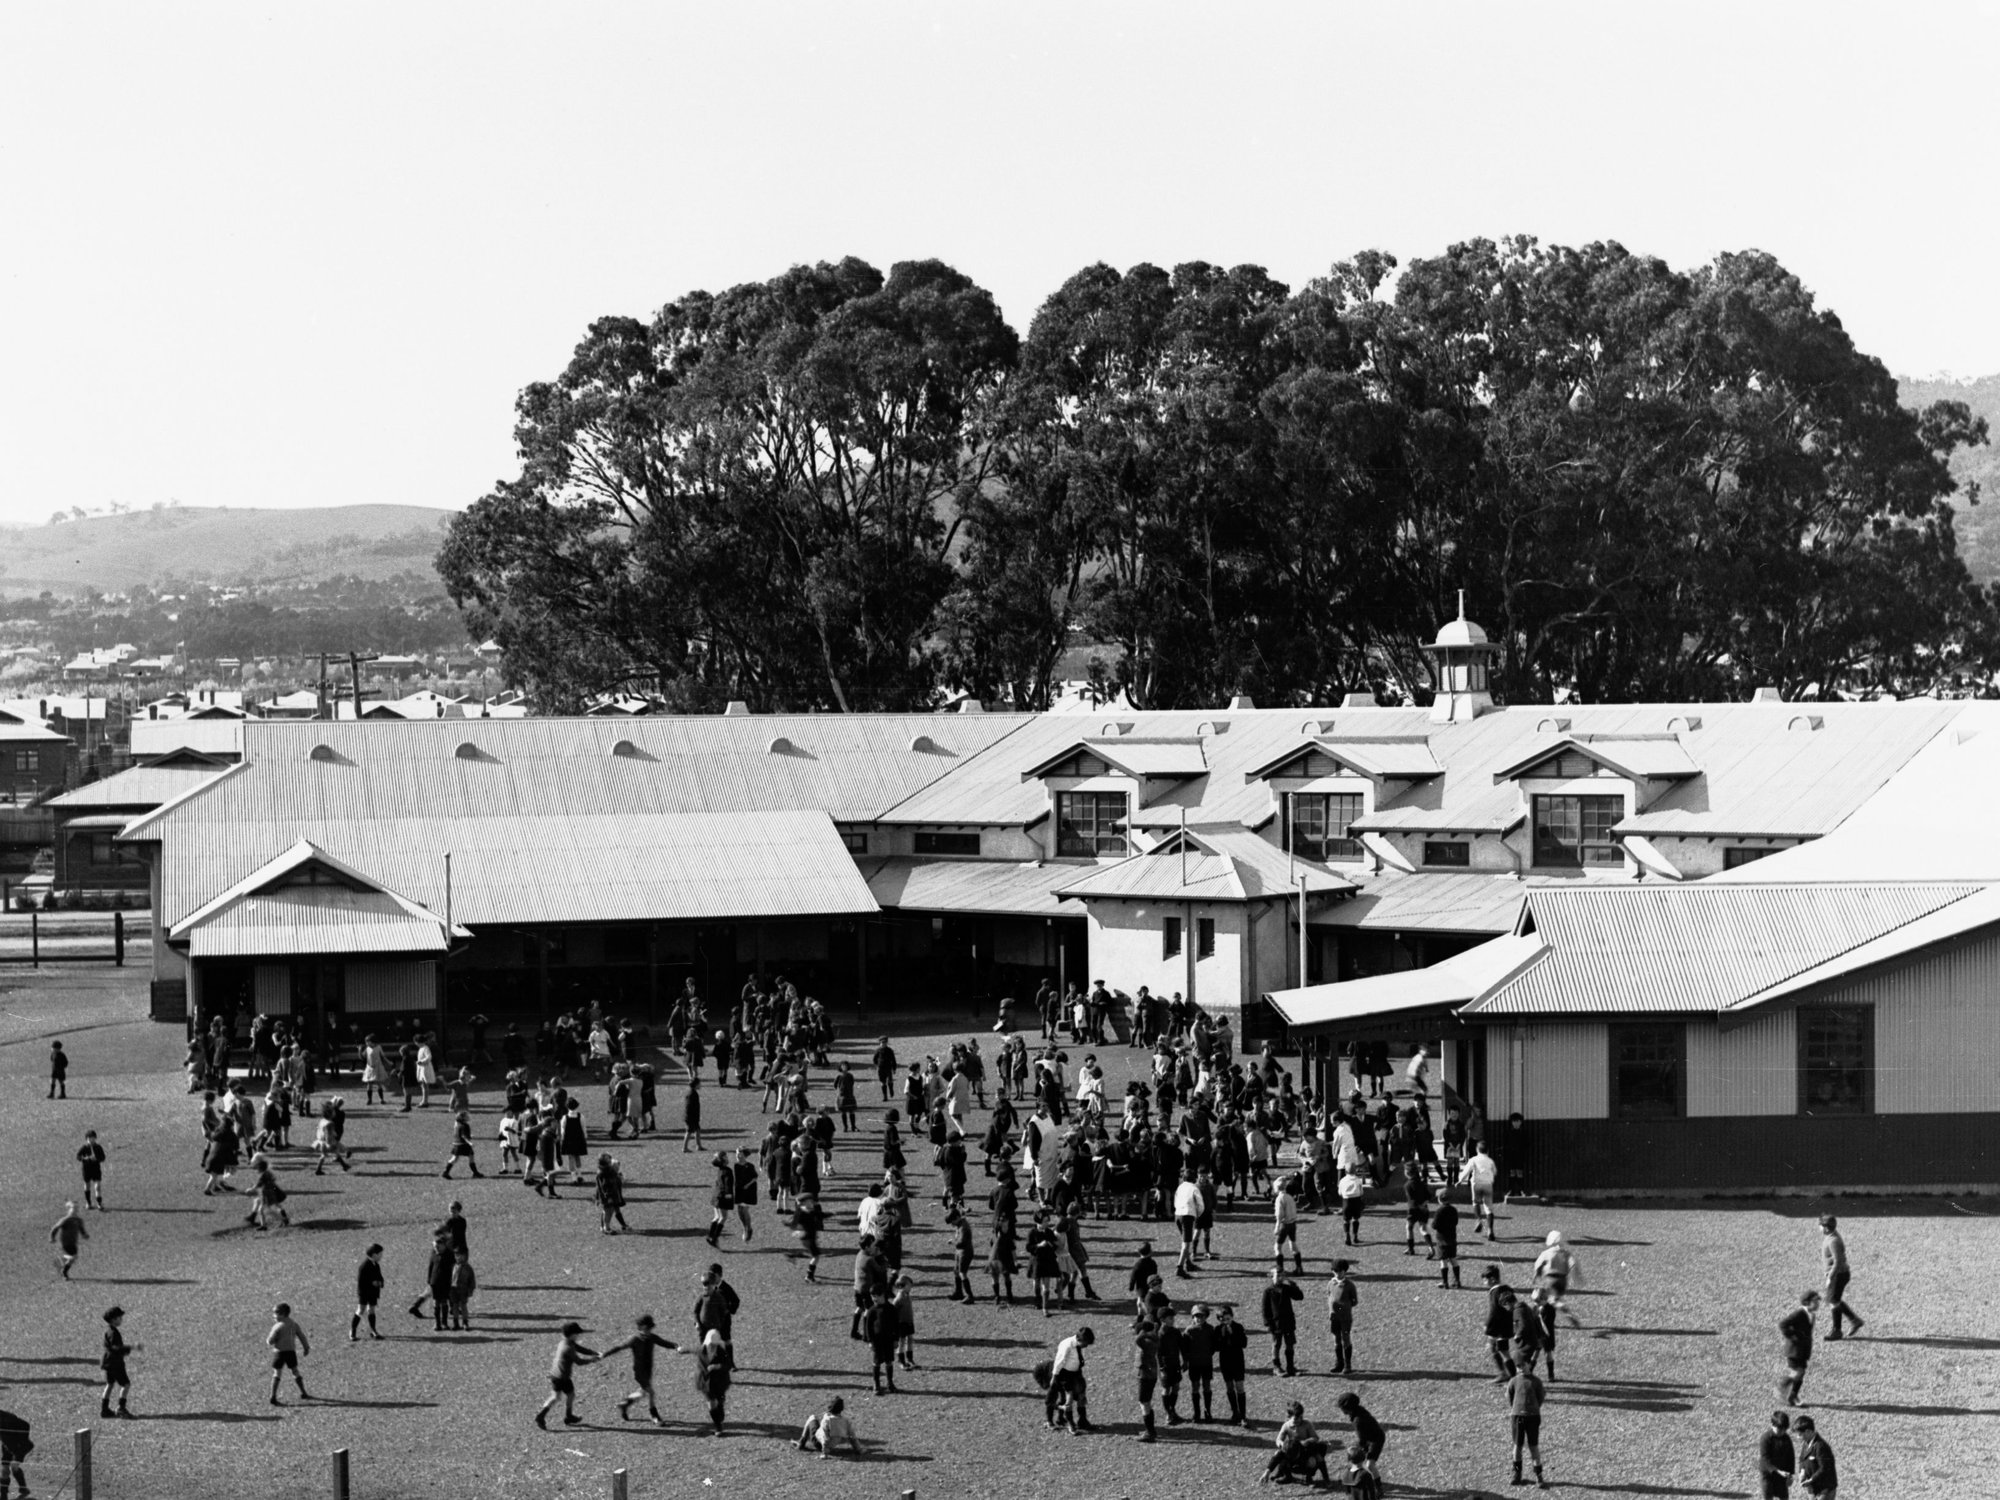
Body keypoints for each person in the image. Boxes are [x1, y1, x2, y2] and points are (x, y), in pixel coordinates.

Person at [605, 1314, 680, 1425]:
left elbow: (664, 1343)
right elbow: (619, 1347)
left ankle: (625, 1404)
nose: (649, 1331)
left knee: (643, 1392)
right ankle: (654, 1416)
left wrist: (676, 1346)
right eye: (646, 1329)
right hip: (639, 1371)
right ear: (640, 1328)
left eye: (650, 1328)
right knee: (651, 1392)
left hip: (648, 1369)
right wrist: (605, 1354)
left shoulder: (652, 1337)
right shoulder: (635, 1339)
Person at [535, 1322, 599, 1428]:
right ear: (572, 1334)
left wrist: (593, 1352)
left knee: (555, 1397)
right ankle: (568, 1416)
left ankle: (541, 1416)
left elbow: (579, 1348)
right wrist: (592, 1360)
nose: (578, 1336)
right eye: (577, 1334)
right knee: (570, 1395)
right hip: (563, 1377)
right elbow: (579, 1362)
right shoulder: (568, 1348)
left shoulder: (564, 1342)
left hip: (555, 1375)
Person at [1819, 1216, 1864, 1339]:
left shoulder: (1833, 1241)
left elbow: (1838, 1261)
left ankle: (1837, 1331)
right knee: (1834, 1299)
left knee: (1833, 1301)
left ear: (1826, 1228)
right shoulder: (1832, 1236)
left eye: (1821, 1226)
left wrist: (1830, 1277)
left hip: (1839, 1275)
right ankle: (1855, 1320)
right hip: (1840, 1274)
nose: (1819, 1228)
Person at [1506, 1360, 1549, 1488]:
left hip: (1533, 1417)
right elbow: (1509, 1396)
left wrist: (1534, 1408)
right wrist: (1516, 1409)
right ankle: (1517, 1474)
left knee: (1533, 1446)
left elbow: (1541, 1397)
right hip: (1518, 1416)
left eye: (1523, 1365)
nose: (1521, 1368)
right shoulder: (1513, 1381)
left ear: (1529, 1365)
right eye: (1518, 1366)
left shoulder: (1536, 1381)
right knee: (1517, 1446)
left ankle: (1539, 1475)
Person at [1045, 1325, 1093, 1432]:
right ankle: (1055, 1421)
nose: (1086, 1346)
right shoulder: (1067, 1345)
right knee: (1064, 1398)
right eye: (1085, 1343)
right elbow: (1059, 1361)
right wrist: (1054, 1377)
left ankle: (1081, 1420)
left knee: (1081, 1396)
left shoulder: (1077, 1345)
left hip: (1075, 1374)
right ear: (1080, 1339)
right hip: (1064, 1375)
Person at [1777, 1291, 1821, 1408]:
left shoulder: (1812, 1315)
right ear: (1807, 1302)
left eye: (1818, 1301)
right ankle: (1781, 1387)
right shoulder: (1799, 1313)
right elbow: (1783, 1324)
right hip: (1794, 1350)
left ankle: (1793, 1396)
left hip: (1803, 1351)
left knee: (1801, 1374)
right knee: (1797, 1373)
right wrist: (1794, 1337)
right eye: (1815, 1301)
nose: (1818, 1304)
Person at [1532, 1230, 1582, 1328]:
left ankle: (1536, 1320)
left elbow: (1537, 1265)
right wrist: (1576, 1277)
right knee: (1552, 1300)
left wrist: (1536, 1277)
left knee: (1541, 1299)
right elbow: (1573, 1265)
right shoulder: (1566, 1254)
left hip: (1550, 1280)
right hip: (1562, 1281)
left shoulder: (1546, 1253)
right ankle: (1551, 1319)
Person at [1336, 1392, 1385, 1489]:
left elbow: (1362, 1440)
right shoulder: (1358, 1411)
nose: (1341, 1410)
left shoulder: (1358, 1420)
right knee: (1357, 1458)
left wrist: (1358, 1451)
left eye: (1342, 1408)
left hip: (1375, 1440)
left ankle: (1378, 1488)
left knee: (1369, 1465)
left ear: (1348, 1408)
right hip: (1369, 1438)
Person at [266, 1303, 311, 1405]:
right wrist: (306, 1347)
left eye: (275, 1314)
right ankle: (303, 1392)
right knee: (295, 1371)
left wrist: (270, 1341)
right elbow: (301, 1336)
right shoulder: (294, 1324)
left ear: (282, 1314)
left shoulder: (278, 1326)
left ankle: (273, 1396)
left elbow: (270, 1341)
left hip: (279, 1352)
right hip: (291, 1352)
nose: (274, 1316)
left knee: (277, 1373)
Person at [1262, 1267, 1303, 1378]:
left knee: (1290, 1344)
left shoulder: (1287, 1288)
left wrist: (1293, 1285)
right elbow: (1265, 1309)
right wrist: (1268, 1323)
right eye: (1278, 1275)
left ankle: (1290, 1367)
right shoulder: (1268, 1291)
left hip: (1288, 1321)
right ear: (1272, 1276)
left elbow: (1299, 1297)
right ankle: (1276, 1367)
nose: (1280, 1278)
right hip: (1276, 1324)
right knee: (1276, 1345)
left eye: (1282, 1276)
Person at [1216, 1305, 1250, 1425]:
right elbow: (1216, 1347)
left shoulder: (1238, 1327)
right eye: (1223, 1320)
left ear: (1232, 1317)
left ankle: (1243, 1415)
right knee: (1229, 1387)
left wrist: (1233, 1334)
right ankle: (1235, 1413)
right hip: (1225, 1361)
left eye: (1228, 1319)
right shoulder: (1218, 1329)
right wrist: (1223, 1336)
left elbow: (1244, 1344)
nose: (1226, 1322)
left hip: (1237, 1361)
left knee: (1240, 1387)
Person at [1483, 1265, 1518, 1382]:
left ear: (1493, 1279)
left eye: (1485, 1280)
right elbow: (1513, 1305)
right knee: (1493, 1346)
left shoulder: (1495, 1292)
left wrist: (1487, 1325)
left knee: (1503, 1352)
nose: (1484, 1283)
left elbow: (1493, 1312)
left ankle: (1513, 1378)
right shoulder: (1507, 1288)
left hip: (1499, 1326)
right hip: (1507, 1324)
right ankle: (1504, 1373)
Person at [1458, 1140, 1499, 1240]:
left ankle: (1478, 1220)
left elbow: (1466, 1171)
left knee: (1476, 1202)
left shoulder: (1473, 1160)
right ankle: (1490, 1230)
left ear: (1477, 1150)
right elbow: (1495, 1172)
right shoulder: (1490, 1161)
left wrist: (1460, 1180)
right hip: (1488, 1184)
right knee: (1488, 1207)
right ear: (1487, 1151)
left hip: (1476, 1183)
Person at [797, 1395, 861, 1458]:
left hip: (819, 1443)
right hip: (831, 1446)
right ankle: (858, 1449)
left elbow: (824, 1436)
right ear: (841, 1409)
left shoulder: (827, 1420)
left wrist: (825, 1453)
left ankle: (801, 1443)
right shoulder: (846, 1421)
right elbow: (852, 1436)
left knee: (812, 1417)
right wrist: (858, 1449)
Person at [695, 1327, 731, 1434]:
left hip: (719, 1381)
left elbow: (728, 1365)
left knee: (719, 1401)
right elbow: (692, 1350)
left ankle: (720, 1406)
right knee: (711, 1404)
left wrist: (718, 1366)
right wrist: (681, 1349)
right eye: (711, 1344)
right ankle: (718, 1426)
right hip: (705, 1382)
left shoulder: (722, 1352)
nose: (712, 1346)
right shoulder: (701, 1350)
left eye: (714, 1345)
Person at [1131, 1314, 1161, 1442]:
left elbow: (1137, 1340)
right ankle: (1151, 1430)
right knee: (1147, 1401)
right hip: (1150, 1374)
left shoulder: (1145, 1342)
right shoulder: (1154, 1339)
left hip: (1144, 1375)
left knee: (1144, 1402)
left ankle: (1150, 1432)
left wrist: (1142, 1331)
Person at [1793, 1415, 1837, 1499]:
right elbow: (1802, 1458)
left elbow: (1824, 1468)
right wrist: (1802, 1472)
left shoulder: (1821, 1446)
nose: (1798, 1437)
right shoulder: (1806, 1443)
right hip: (1813, 1489)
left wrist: (1811, 1480)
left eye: (1800, 1435)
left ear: (1808, 1432)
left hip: (1824, 1490)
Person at [1327, 1259, 1358, 1374]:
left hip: (1345, 1317)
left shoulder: (1349, 1285)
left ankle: (1347, 1364)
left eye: (1340, 1271)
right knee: (1336, 1339)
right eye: (1335, 1271)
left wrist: (1344, 1307)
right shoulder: (1331, 1284)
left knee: (1346, 1338)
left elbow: (1354, 1301)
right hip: (1334, 1317)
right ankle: (1339, 1363)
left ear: (1345, 1271)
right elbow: (1329, 1296)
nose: (1337, 1274)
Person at [351, 1244, 385, 1340]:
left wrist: (380, 1283)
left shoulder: (376, 1265)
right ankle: (352, 1331)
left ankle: (373, 1330)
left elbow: (380, 1277)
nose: (381, 1256)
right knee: (361, 1310)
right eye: (380, 1254)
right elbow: (361, 1282)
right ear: (374, 1255)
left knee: (371, 1310)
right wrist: (372, 1283)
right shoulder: (364, 1267)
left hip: (373, 1293)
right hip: (365, 1293)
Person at [1760, 1410, 1796, 1500]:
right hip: (1768, 1475)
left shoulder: (1786, 1438)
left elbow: (1790, 1457)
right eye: (1779, 1429)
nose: (1782, 1432)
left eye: (1784, 1430)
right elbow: (1765, 1459)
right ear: (1772, 1425)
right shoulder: (1766, 1438)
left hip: (1782, 1475)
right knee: (1768, 1496)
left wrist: (1790, 1475)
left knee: (1784, 1496)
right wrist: (1778, 1471)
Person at [49, 1200, 87, 1278]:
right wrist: (52, 1237)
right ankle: (62, 1267)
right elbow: (55, 1228)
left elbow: (81, 1228)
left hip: (73, 1242)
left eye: (76, 1209)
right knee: (73, 1257)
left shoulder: (79, 1220)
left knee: (73, 1258)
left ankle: (63, 1269)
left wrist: (84, 1234)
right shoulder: (65, 1220)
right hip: (65, 1242)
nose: (75, 1210)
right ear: (69, 1210)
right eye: (73, 1208)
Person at [1432, 1196, 1462, 1289]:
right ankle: (1457, 1281)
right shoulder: (1453, 1209)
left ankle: (1445, 1282)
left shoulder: (1439, 1211)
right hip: (1452, 1237)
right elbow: (1456, 1222)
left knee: (1443, 1261)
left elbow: (1434, 1225)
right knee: (1453, 1259)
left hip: (1442, 1238)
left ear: (1439, 1200)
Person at [0, 1408, 29, 1500]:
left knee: (14, 1467)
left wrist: (22, 1442)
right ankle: (3, 1496)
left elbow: (25, 1425)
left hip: (18, 1446)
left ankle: (23, 1489)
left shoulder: (8, 1418)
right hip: (7, 1446)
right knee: (4, 1470)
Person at [76, 1129, 107, 1210]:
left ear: (95, 1138)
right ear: (86, 1139)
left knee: (97, 1186)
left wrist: (96, 1158)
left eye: (92, 1138)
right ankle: (88, 1203)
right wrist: (85, 1159)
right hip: (86, 1170)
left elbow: (103, 1157)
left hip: (96, 1169)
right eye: (89, 1138)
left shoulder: (98, 1147)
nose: (90, 1140)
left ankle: (99, 1203)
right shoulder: (84, 1148)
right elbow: (78, 1156)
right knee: (87, 1185)